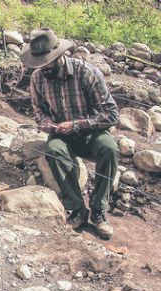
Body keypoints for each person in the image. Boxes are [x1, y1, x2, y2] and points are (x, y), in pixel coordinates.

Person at [21, 27, 120, 239]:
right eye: (39, 63)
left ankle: (99, 211)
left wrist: (76, 124)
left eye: (46, 62)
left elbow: (111, 115)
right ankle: (77, 209)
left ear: (59, 56)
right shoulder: (37, 78)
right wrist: (46, 122)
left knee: (109, 149)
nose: (43, 68)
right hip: (61, 135)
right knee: (54, 150)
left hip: (91, 133)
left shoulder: (87, 73)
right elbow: (39, 110)